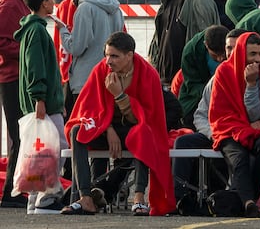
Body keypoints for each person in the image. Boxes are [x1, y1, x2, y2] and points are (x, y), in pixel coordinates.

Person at [61, 32, 175, 216]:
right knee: (77, 131)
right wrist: (108, 129)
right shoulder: (100, 70)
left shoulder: (148, 74)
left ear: (129, 55)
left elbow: (145, 118)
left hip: (132, 129)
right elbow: (88, 108)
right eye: (106, 55)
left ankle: (139, 197)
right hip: (105, 129)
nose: (108, 61)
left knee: (144, 133)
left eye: (114, 56)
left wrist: (120, 96)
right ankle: (85, 198)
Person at [173, 28, 247, 205]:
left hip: (241, 135)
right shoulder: (216, 78)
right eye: (228, 49)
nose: (227, 56)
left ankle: (227, 197)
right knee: (182, 142)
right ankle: (180, 198)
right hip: (216, 133)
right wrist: (212, 133)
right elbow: (200, 114)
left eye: (234, 49)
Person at [209, 32, 260, 218]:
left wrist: (251, 85)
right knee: (239, 158)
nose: (258, 59)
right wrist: (251, 84)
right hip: (229, 128)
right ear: (242, 53)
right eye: (253, 54)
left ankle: (247, 202)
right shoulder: (224, 71)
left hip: (257, 128)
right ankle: (249, 203)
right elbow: (220, 114)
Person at [13, 0, 68, 214]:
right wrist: (40, 98)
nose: (54, 1)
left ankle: (34, 200)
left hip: (42, 102)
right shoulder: (37, 31)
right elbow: (36, 67)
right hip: (44, 103)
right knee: (58, 147)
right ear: (44, 3)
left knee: (39, 150)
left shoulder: (31, 29)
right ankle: (47, 197)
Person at [0, 0, 46, 208]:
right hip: (12, 78)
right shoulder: (10, 4)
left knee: (22, 136)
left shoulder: (15, 2)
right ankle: (11, 194)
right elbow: (3, 42)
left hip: (17, 77)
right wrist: (29, 50)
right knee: (20, 137)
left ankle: (16, 190)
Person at [148, 0, 220, 87]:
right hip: (163, 83)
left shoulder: (200, 1)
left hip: (186, 85)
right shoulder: (167, 1)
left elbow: (206, 46)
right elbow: (157, 44)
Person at [54, 0, 124, 99]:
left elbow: (76, 47)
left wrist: (63, 31)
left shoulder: (85, 8)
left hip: (86, 80)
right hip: (110, 80)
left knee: (86, 121)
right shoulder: (116, 8)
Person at [179, 25, 229, 129]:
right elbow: (192, 85)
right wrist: (213, 93)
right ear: (206, 45)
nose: (220, 59)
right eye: (215, 56)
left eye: (223, 54)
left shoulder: (234, 43)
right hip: (200, 96)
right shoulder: (191, 52)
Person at [53, 0, 80, 121]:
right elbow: (57, 44)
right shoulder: (63, 7)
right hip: (67, 76)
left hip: (87, 75)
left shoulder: (95, 8)